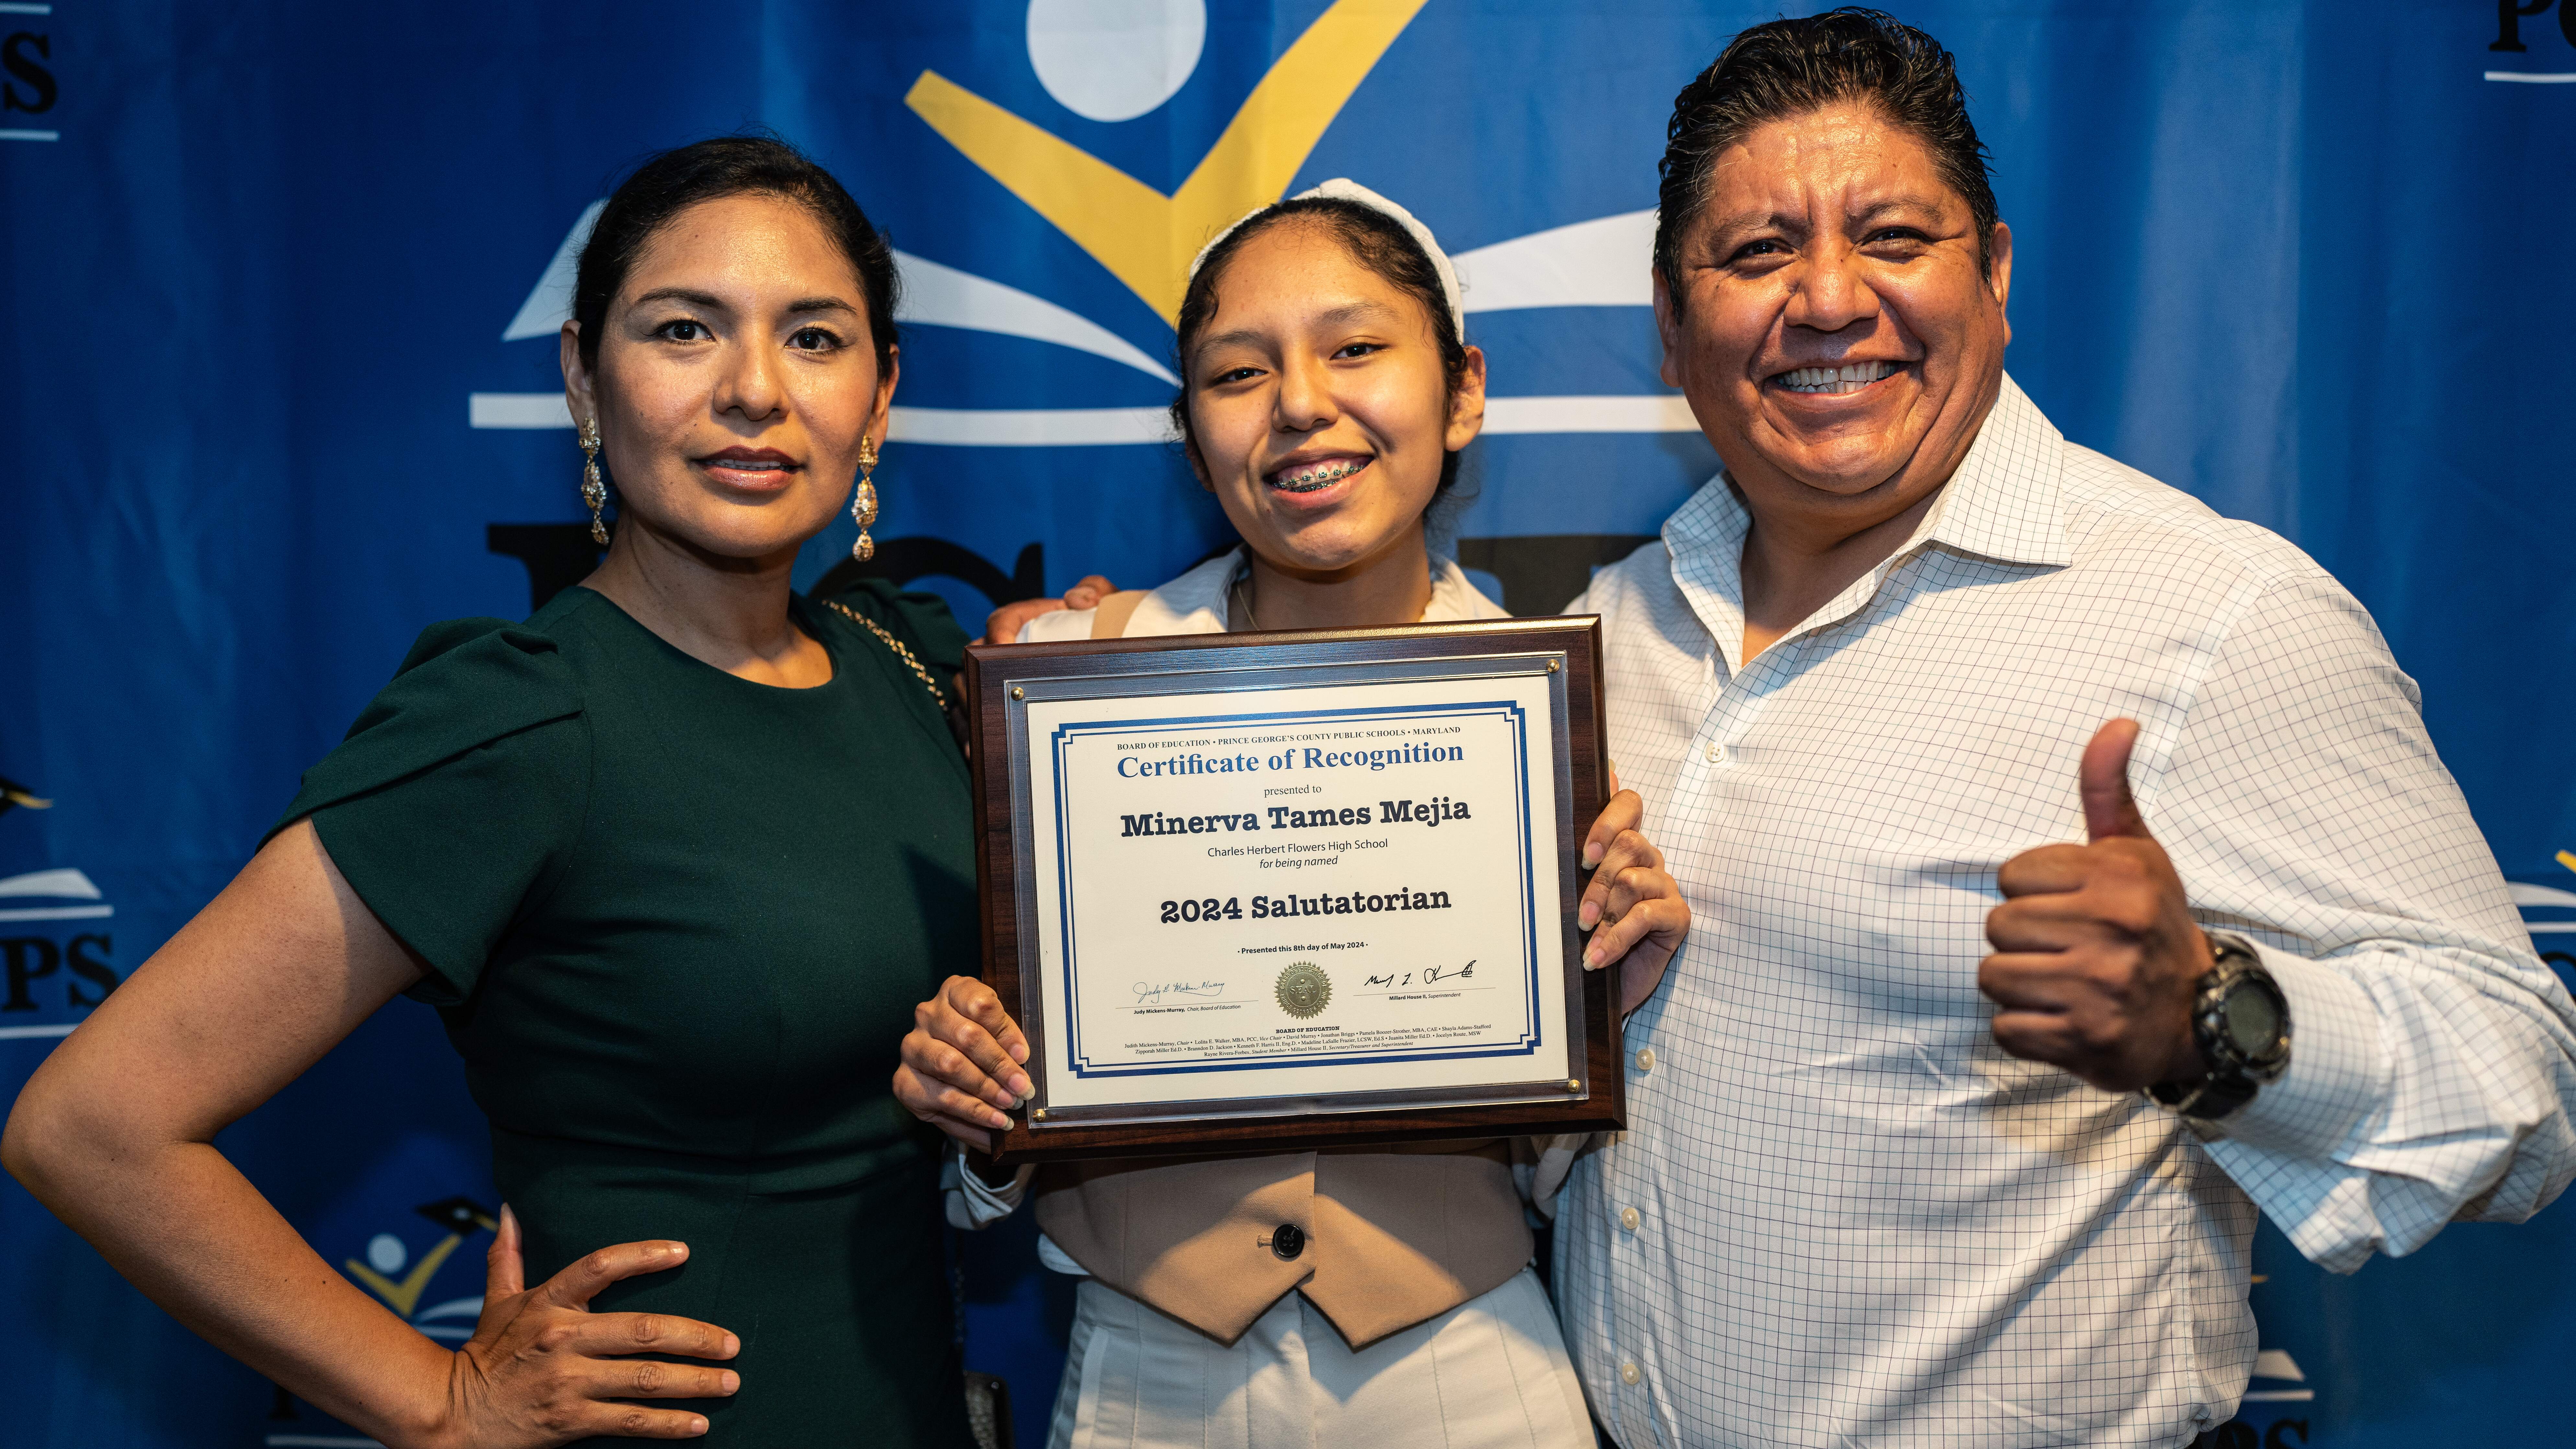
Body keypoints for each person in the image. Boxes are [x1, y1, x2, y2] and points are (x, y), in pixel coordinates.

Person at [995, 11, 2576, 1445]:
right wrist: (1126, 685)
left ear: (1996, 273)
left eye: (1891, 235)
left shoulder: (2206, 612)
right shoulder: (1593, 642)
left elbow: (2521, 1095)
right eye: (1755, 254)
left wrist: (2214, 1019)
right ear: (1674, 330)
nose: (1827, 299)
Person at [3, 136, 978, 1448]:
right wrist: (437, 1395)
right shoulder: (523, 716)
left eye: (814, 338)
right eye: (684, 330)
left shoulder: (904, 661)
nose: (754, 390)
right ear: (583, 377)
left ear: (879, 394)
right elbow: (92, 1126)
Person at [894, 181, 1690, 1449]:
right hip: (1144, 1379)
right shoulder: (1072, 694)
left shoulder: (1561, 721)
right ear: (1190, 431)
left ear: (1463, 389)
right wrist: (983, 1114)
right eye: (1237, 372)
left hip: (1469, 1366)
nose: (1302, 405)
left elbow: (1570, 1170)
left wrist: (1608, 1001)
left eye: (1356, 347)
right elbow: (985, 1161)